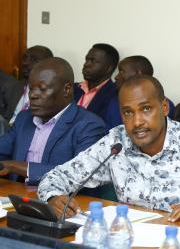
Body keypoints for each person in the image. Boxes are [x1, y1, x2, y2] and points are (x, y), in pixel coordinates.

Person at [38, 75, 180, 224]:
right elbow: (56, 177)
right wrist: (53, 196)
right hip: (132, 248)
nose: (137, 121)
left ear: (163, 108)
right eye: (128, 112)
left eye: (146, 109)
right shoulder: (116, 143)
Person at [0, 58, 107, 186]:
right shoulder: (24, 118)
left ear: (67, 89)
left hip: (62, 201)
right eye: (31, 89)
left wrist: (15, 166)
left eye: (42, 89)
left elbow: (80, 174)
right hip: (17, 196)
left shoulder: (89, 125)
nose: (33, 95)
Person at [105, 55, 175, 129]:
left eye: (122, 72)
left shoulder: (162, 103)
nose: (116, 77)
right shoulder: (115, 102)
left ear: (138, 74)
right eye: (127, 112)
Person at [74, 43, 119, 122]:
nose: (86, 64)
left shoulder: (115, 95)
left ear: (109, 68)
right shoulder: (73, 88)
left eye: (93, 61)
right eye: (86, 59)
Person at [8, 45, 54, 124]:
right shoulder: (16, 85)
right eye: (25, 58)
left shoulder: (53, 92)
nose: (25, 63)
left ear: (48, 64)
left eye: (34, 59)